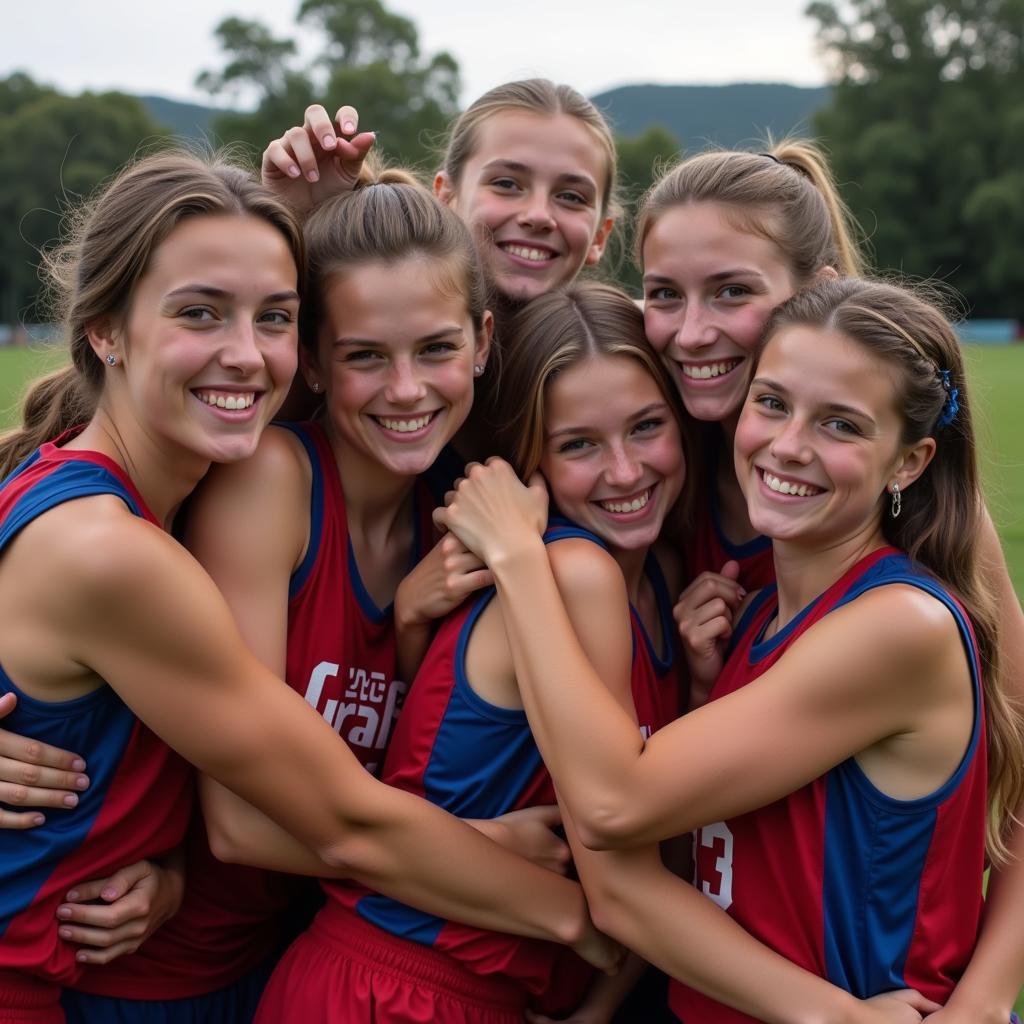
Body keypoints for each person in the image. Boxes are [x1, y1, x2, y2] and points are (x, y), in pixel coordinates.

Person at [0, 151, 615, 1023]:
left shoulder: (443, 505)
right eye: (200, 313)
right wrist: (577, 917)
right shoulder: (124, 541)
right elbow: (283, 821)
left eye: (273, 317)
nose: (246, 355)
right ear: (105, 330)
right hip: (107, 984)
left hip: (265, 953)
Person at [436, 277, 1024, 1022]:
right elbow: (656, 880)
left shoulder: (900, 626)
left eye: (840, 425)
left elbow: (613, 806)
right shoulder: (752, 622)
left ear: (908, 463)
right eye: (772, 403)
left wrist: (521, 563)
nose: (787, 445)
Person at [255, 281, 690, 1024]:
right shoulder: (567, 573)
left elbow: (666, 841)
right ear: (527, 460)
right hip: (393, 988)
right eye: (578, 444)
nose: (624, 471)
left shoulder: (661, 581)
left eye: (647, 427)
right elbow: (616, 848)